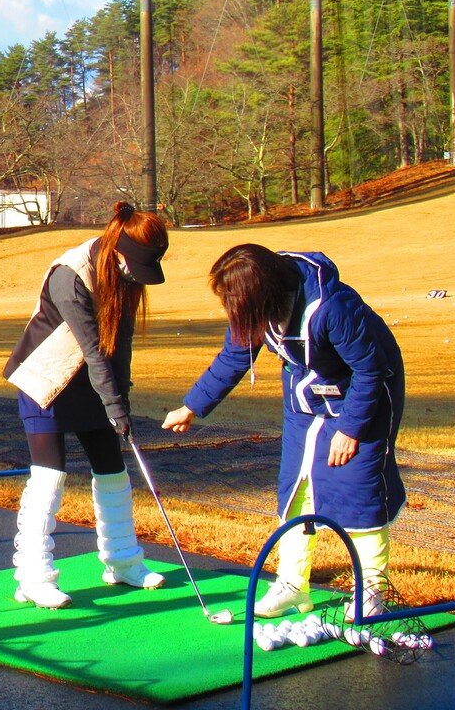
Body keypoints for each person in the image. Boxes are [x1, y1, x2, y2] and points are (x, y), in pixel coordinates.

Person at [163, 244, 405, 618]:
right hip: (305, 400)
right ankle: (294, 586)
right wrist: (192, 406)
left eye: (234, 301)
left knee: (358, 490)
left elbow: (370, 370)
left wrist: (351, 430)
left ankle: (372, 591)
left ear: (262, 294)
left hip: (364, 395)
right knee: (296, 489)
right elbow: (233, 356)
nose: (231, 309)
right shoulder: (257, 310)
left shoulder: (334, 308)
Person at [3, 202, 169, 608]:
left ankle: (122, 561)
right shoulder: (70, 275)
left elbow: (120, 343)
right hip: (47, 378)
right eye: (137, 265)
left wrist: (121, 399)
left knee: (112, 469)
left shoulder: (124, 275)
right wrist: (114, 405)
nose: (138, 277)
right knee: (49, 476)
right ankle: (32, 576)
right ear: (118, 249)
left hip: (91, 382)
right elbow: (93, 350)